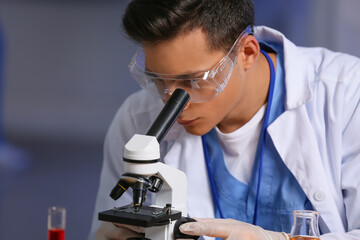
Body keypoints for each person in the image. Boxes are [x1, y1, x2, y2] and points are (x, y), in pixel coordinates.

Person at [89, 0, 360, 239]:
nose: (170, 102)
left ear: (247, 53)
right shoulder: (137, 121)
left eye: (192, 80)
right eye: (159, 80)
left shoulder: (348, 94)